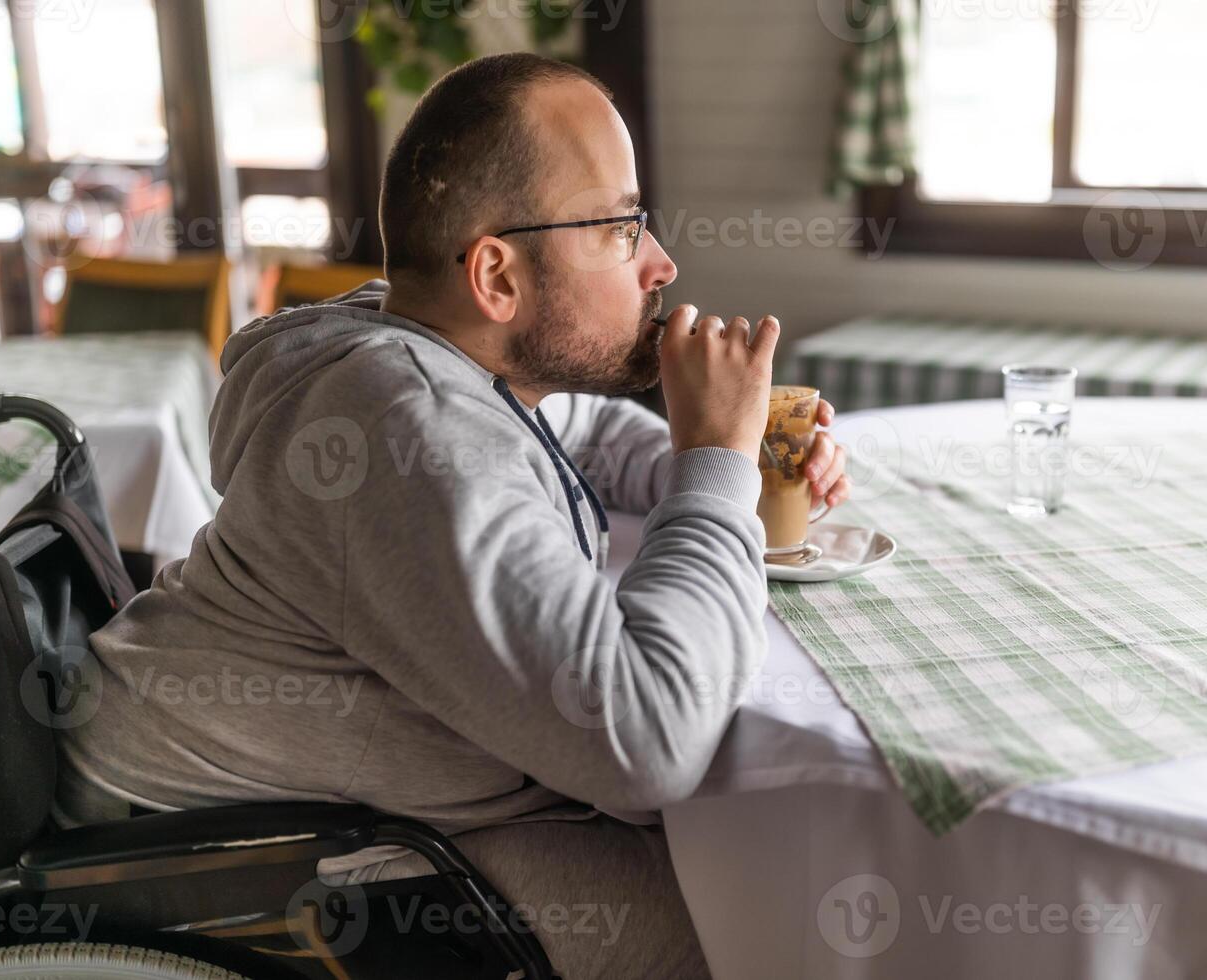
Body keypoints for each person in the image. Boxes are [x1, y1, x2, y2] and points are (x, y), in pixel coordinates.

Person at [56, 52, 850, 977]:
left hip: (386, 808)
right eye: (623, 227)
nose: (663, 263)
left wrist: (729, 457)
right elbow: (652, 737)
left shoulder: (438, 352)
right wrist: (712, 463)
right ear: (497, 279)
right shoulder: (408, 423)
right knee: (781, 924)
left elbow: (577, 429)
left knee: (764, 878)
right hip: (205, 864)